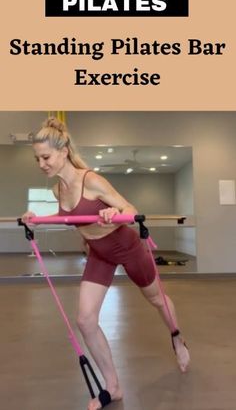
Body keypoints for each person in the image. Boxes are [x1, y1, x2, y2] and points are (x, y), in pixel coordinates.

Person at [22, 117, 190, 410]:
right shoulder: (57, 191)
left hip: (126, 247)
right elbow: (65, 219)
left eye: (46, 157)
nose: (41, 164)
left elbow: (131, 209)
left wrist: (115, 212)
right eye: (37, 158)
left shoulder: (92, 180)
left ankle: (177, 337)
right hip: (99, 253)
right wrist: (34, 220)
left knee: (157, 300)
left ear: (63, 152)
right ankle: (112, 387)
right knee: (85, 320)